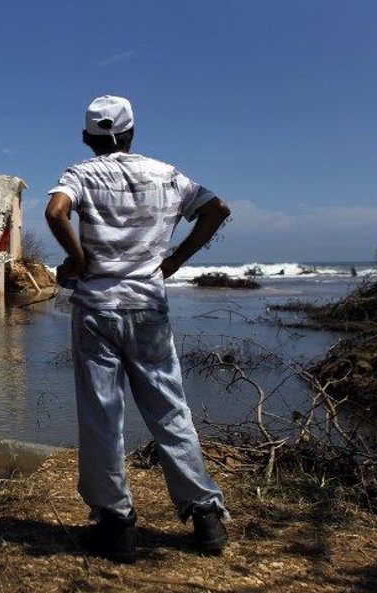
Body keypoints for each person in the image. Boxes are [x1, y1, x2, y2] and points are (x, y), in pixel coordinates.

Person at [45, 95, 231, 564]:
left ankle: (116, 524)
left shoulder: (81, 175)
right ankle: (205, 515)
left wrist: (81, 260)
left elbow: (55, 212)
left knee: (102, 416)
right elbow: (216, 209)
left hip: (97, 308)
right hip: (148, 307)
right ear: (131, 134)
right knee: (169, 408)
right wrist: (172, 263)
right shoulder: (167, 174)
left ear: (88, 138)